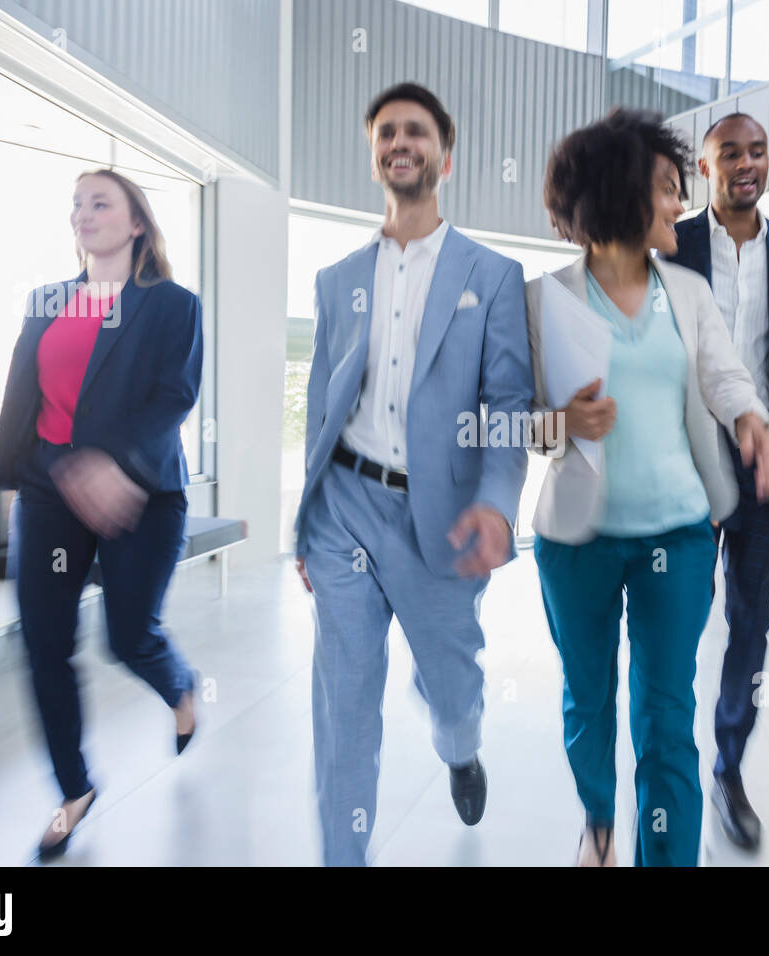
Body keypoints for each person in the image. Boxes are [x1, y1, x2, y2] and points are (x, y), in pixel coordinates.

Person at [526, 109, 769, 867]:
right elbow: (504, 422)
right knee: (588, 700)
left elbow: (726, 374)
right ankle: (600, 820)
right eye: (669, 189)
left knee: (667, 713)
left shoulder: (689, 292)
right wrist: (559, 423)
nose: (680, 205)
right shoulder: (545, 300)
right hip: (578, 540)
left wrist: (753, 423)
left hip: (677, 531)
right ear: (619, 195)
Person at [293, 83, 534, 867]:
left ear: (445, 156)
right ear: (375, 157)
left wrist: (500, 503)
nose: (401, 141)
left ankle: (459, 744)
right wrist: (306, 519)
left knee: (452, 682)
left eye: (416, 131)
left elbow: (507, 404)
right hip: (344, 511)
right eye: (388, 132)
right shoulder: (337, 281)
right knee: (346, 703)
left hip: (444, 521)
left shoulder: (492, 275)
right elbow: (322, 401)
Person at [0, 168, 203, 860]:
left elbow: (174, 397)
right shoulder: (48, 300)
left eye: (100, 202)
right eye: (76, 204)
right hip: (51, 489)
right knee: (44, 643)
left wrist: (118, 466)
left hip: (140, 491)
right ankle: (74, 788)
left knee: (129, 635)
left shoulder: (171, 305)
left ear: (136, 222)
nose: (84, 212)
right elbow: (22, 395)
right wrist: (18, 476)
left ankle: (179, 686)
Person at [663, 112, 769, 851]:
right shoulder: (672, 243)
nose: (747, 163)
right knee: (676, 621)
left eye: (758, 150)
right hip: (684, 463)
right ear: (705, 168)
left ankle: (729, 768)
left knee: (750, 624)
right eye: (731, 153)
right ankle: (670, 768)